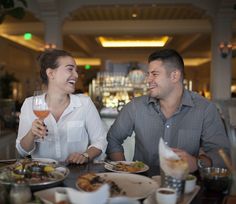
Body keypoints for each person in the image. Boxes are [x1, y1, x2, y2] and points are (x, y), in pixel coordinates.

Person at [106, 49, 230, 172]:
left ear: (174, 76)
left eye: (154, 74)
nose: (148, 80)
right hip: (142, 185)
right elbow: (113, 139)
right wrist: (124, 171)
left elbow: (222, 154)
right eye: (148, 74)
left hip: (185, 185)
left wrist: (197, 162)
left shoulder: (205, 109)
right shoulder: (135, 106)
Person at [16, 49, 107, 164]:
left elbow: (100, 140)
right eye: (70, 69)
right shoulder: (30, 104)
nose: (76, 75)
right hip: (42, 175)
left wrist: (85, 155)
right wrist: (32, 133)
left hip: (76, 173)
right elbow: (23, 151)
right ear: (51, 73)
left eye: (76, 70)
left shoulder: (85, 103)